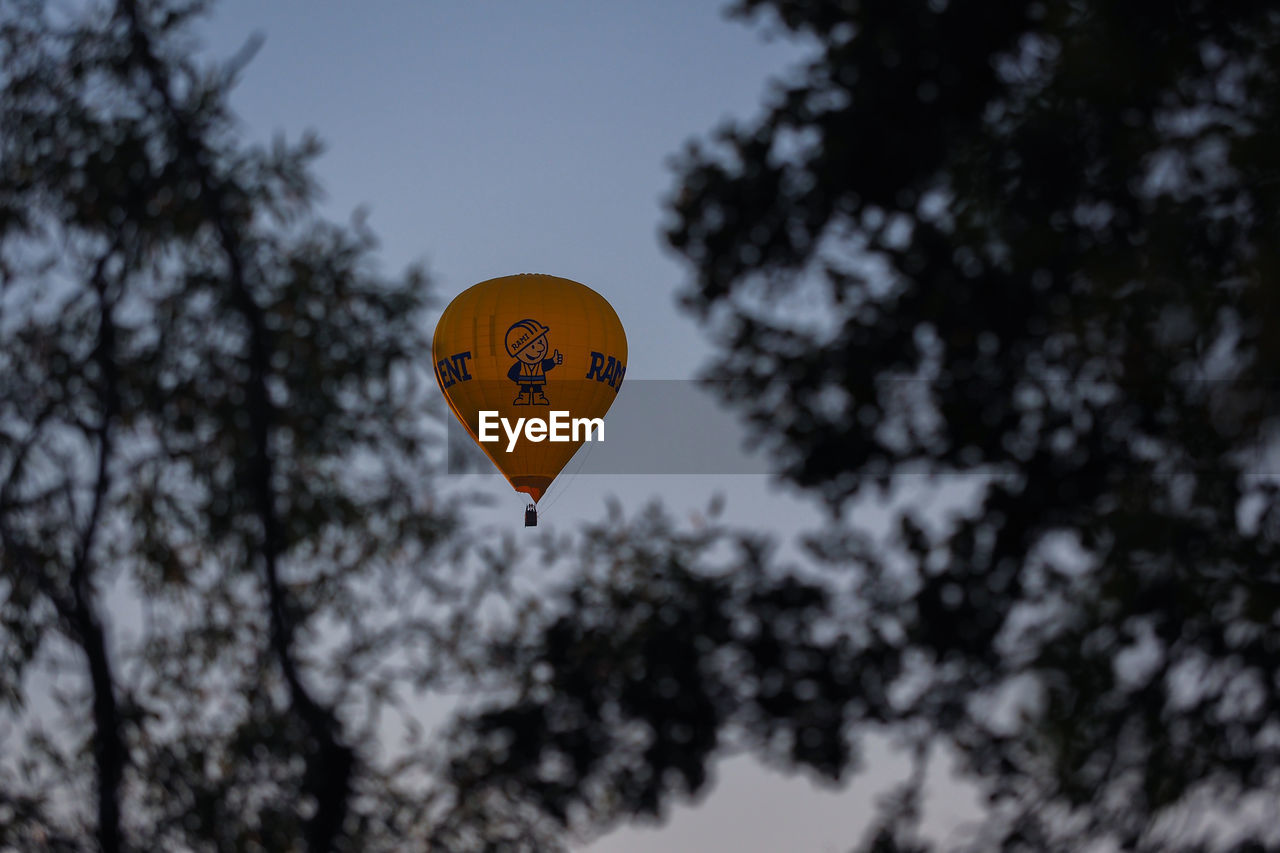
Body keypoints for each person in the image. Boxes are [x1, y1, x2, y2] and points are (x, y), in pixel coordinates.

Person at [504, 319, 562, 405]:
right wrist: (519, 379)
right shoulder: (520, 365)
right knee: (525, 390)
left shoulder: (540, 364)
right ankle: (524, 398)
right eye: (532, 347)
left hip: (537, 380)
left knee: (537, 389)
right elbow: (511, 373)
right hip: (525, 381)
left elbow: (546, 365)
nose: (540, 348)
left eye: (540, 342)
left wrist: (553, 361)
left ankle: (538, 398)